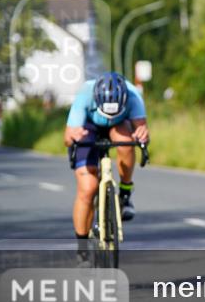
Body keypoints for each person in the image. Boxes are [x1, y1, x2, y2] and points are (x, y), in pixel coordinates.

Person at [64, 72, 149, 260]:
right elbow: (67, 138)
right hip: (89, 125)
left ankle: (125, 192)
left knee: (126, 141)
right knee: (88, 189)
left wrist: (142, 135)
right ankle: (82, 248)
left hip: (119, 125)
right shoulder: (85, 95)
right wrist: (73, 138)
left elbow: (142, 130)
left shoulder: (133, 97)